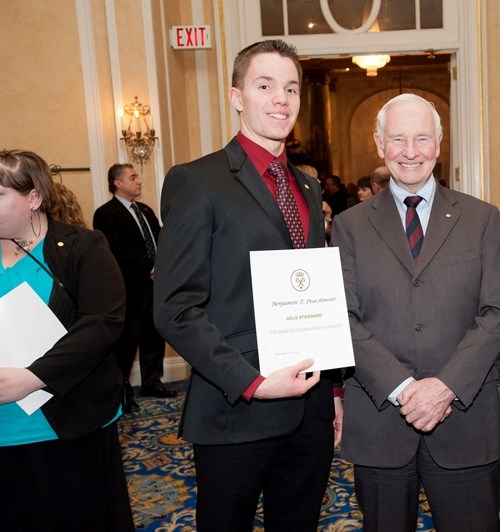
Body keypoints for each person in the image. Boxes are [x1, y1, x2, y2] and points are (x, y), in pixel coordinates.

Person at [153, 39, 342, 532]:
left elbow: (315, 291)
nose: (281, 99)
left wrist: (335, 393)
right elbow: (175, 308)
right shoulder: (197, 181)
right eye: (265, 86)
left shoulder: (307, 184)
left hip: (311, 405)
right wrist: (252, 384)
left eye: (291, 88)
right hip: (235, 407)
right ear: (237, 96)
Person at [332, 93, 500, 532]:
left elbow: (496, 312)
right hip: (380, 423)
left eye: (421, 138)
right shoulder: (349, 226)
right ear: (379, 144)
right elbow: (343, 318)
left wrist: (445, 387)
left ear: (439, 142)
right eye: (397, 139)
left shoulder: (481, 218)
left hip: (464, 421)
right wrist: (402, 388)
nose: (410, 151)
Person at [0, 149, 134, 530]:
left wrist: (33, 377)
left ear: (34, 198)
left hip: (67, 426)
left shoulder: (81, 247)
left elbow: (102, 323)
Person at [93, 163, 175, 411]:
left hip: (156, 287)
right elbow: (116, 250)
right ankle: (121, 393)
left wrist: (164, 267)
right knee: (126, 343)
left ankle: (152, 382)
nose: (139, 181)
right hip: (129, 288)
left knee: (154, 335)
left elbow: (162, 241)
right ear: (117, 183)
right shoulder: (106, 214)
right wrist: (151, 268)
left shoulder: (146, 210)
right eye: (133, 177)